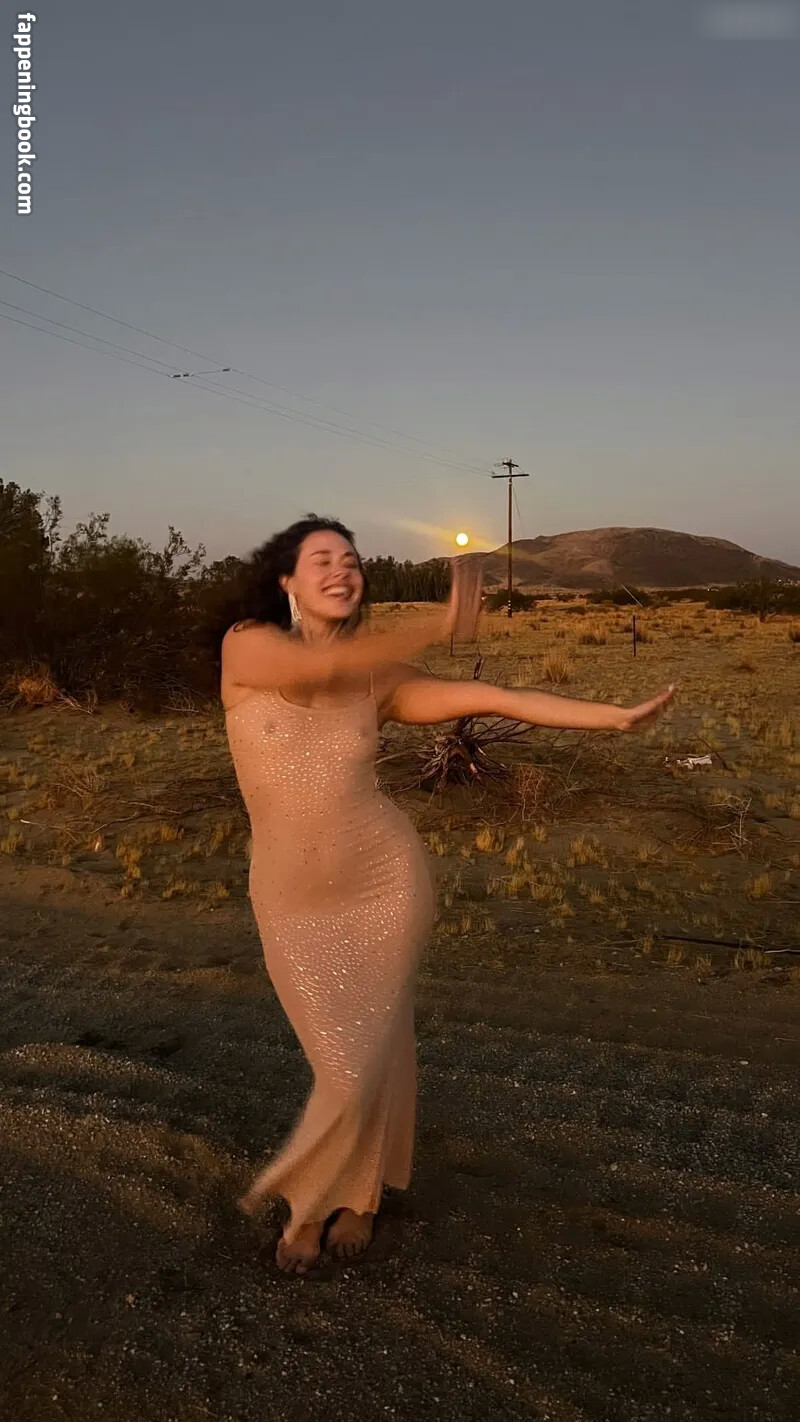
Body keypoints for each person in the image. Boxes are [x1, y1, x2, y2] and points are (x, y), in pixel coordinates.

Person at [220, 514, 674, 1274]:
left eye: (351, 559)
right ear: (286, 580)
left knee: (378, 1046)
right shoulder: (247, 645)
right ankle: (333, 1190)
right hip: (290, 896)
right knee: (343, 1061)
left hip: (381, 879)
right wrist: (440, 623)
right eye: (321, 559)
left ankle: (344, 1201)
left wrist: (614, 719)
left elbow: (494, 697)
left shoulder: (379, 681)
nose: (341, 569)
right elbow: (316, 667)